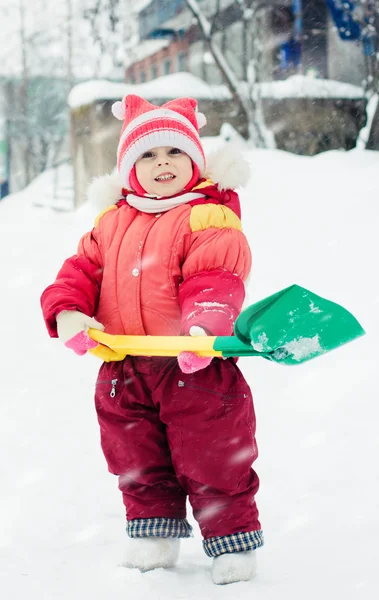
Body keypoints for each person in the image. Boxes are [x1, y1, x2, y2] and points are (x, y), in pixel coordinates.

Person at [40, 95, 263, 585]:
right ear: (128, 167)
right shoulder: (109, 224)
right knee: (135, 458)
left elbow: (216, 276)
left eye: (174, 153)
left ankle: (231, 542)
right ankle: (152, 534)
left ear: (195, 160)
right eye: (148, 155)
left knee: (213, 457)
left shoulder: (207, 217)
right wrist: (69, 312)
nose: (162, 163)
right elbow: (78, 272)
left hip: (196, 366)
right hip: (124, 370)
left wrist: (202, 325)